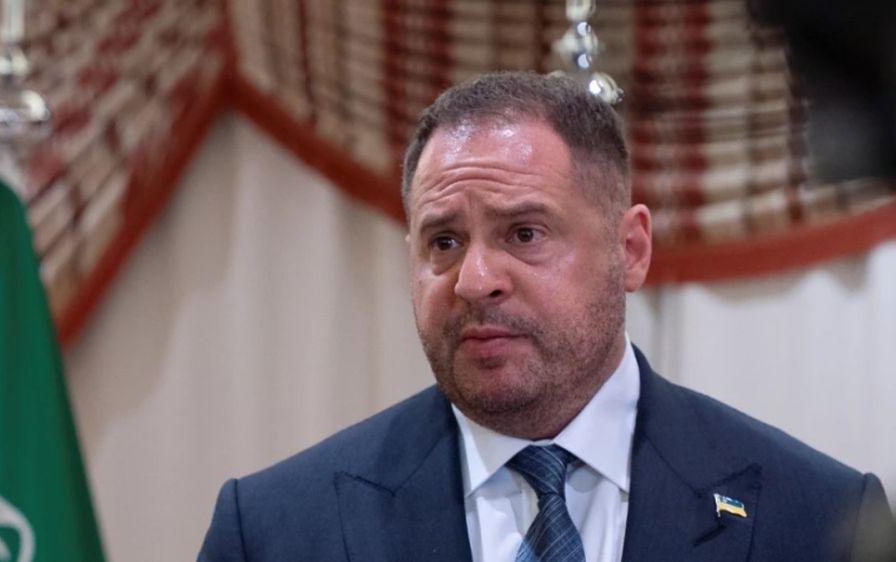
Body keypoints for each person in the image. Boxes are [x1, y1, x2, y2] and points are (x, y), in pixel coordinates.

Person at [197, 72, 896, 561]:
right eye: (444, 242)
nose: (475, 281)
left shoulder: (819, 521)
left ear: (630, 250)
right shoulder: (274, 531)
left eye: (524, 233)